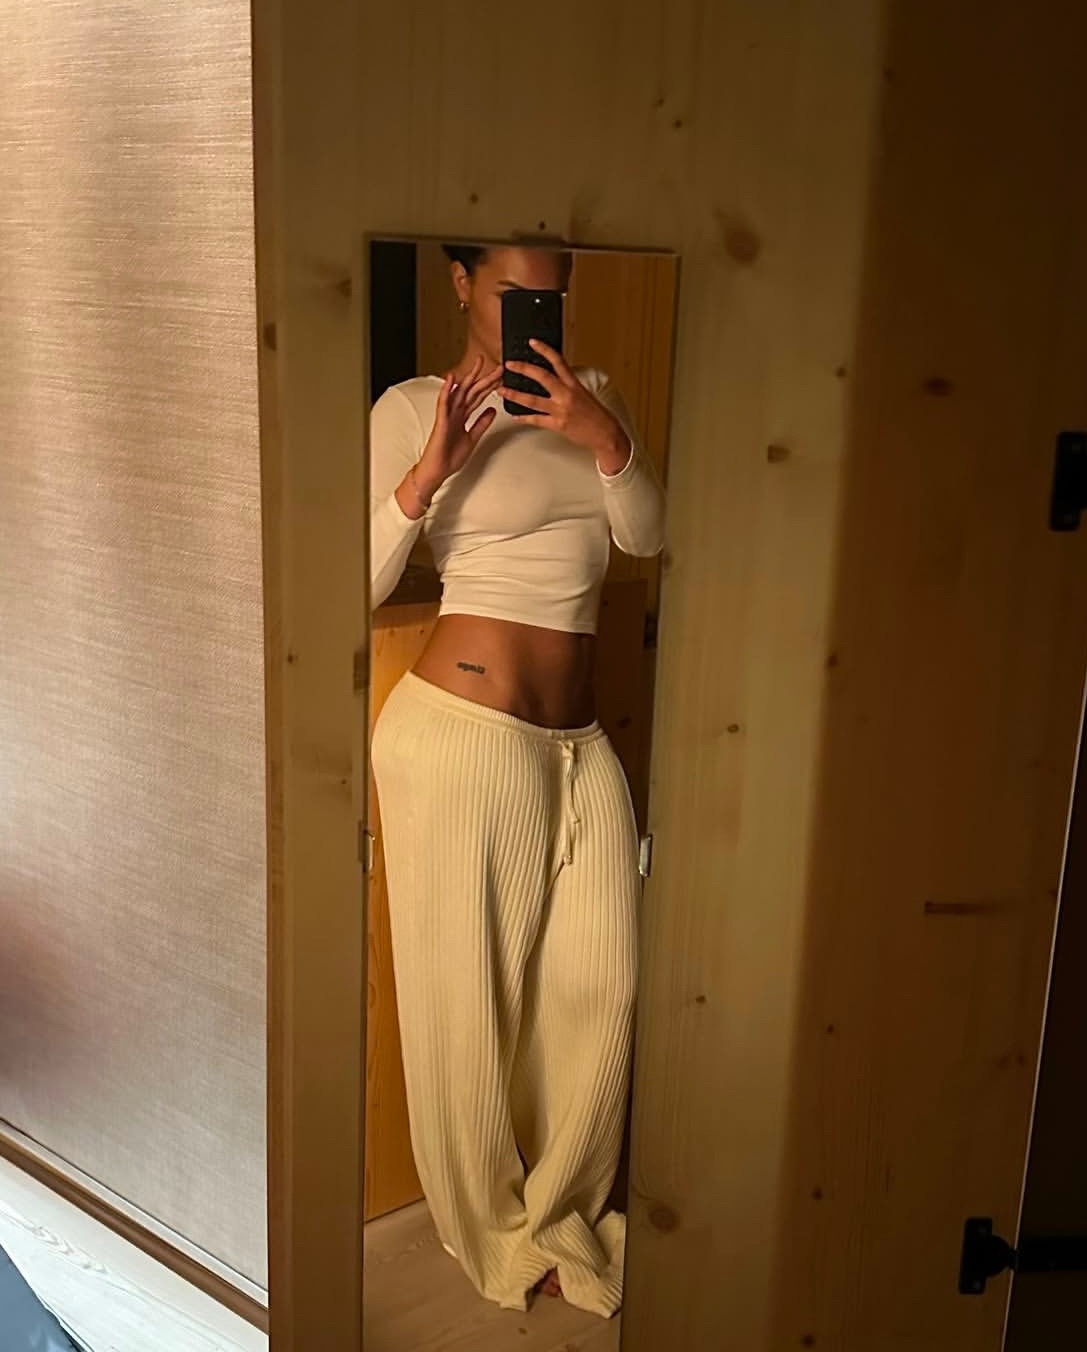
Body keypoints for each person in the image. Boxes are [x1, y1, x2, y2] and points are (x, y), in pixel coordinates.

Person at [368, 242, 665, 1318]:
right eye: (511, 290)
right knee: (465, 1003)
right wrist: (429, 472)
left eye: (552, 292)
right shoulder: (412, 406)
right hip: (461, 735)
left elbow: (646, 534)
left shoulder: (595, 396)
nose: (537, 308)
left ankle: (561, 1212)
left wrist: (604, 439)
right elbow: (354, 580)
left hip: (578, 739)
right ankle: (487, 1229)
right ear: (461, 284)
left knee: (606, 985)